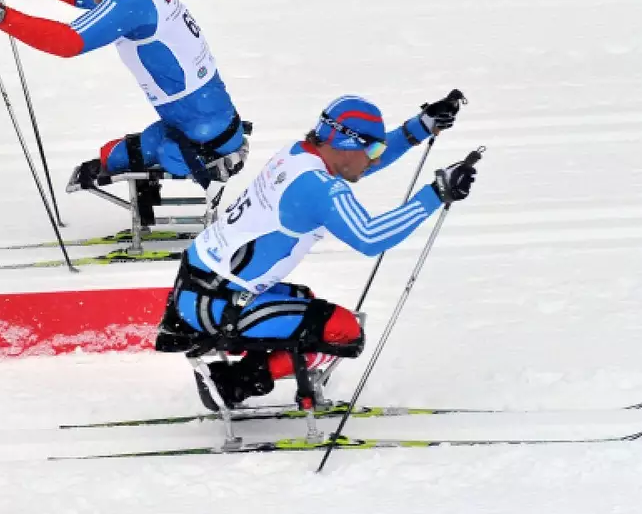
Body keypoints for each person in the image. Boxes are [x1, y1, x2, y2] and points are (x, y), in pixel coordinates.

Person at [154, 94, 476, 411]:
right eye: (373, 150)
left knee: (306, 301)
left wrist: (420, 128)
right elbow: (370, 237)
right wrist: (437, 194)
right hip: (214, 304)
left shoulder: (299, 155)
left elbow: (358, 166)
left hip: (199, 288)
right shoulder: (318, 187)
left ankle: (247, 370)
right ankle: (233, 384)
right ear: (346, 144)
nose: (377, 159)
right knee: (344, 331)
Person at [0, 0, 247, 214]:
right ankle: (150, 202)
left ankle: (180, 189)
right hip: (206, 121)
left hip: (201, 134)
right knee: (110, 155)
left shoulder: (133, 2)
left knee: (114, 160)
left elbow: (68, 42)